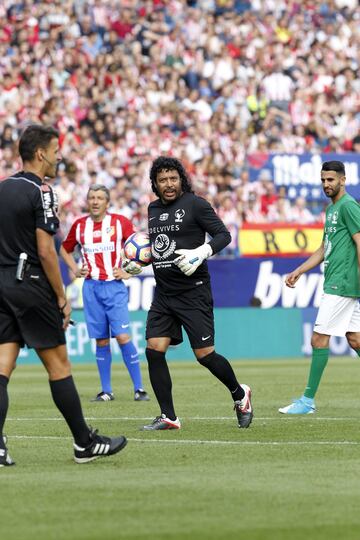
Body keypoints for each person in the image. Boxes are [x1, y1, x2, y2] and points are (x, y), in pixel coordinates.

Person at [0, 124, 127, 466]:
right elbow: (46, 250)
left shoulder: (2, 188)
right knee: (58, 366)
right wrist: (61, 296)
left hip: (2, 286)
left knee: (2, 367)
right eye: (56, 151)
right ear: (40, 154)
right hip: (31, 284)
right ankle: (84, 443)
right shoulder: (42, 191)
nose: (59, 157)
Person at [122, 156, 253, 430]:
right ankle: (168, 416)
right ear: (155, 185)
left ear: (181, 179)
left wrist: (201, 252)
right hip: (164, 294)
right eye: (162, 180)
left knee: (205, 355)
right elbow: (162, 247)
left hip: (193, 292)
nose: (169, 185)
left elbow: (223, 235)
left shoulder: (195, 204)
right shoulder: (153, 209)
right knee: (154, 350)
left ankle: (240, 395)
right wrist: (140, 262)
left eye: (173, 179)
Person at [279, 161, 360, 414]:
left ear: (343, 181)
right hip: (340, 281)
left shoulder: (348, 206)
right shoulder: (332, 209)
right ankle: (307, 401)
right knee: (355, 339)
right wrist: (299, 271)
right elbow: (325, 248)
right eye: (323, 180)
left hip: (342, 283)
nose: (326, 184)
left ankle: (307, 401)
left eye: (331, 180)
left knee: (318, 339)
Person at [61, 185, 149, 403]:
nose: (95, 201)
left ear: (107, 203)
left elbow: (141, 247)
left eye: (100, 197)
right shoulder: (80, 226)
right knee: (101, 340)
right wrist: (74, 267)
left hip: (114, 287)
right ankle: (106, 390)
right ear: (87, 201)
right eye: (92, 197)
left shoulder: (120, 223)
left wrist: (128, 273)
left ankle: (139, 388)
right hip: (91, 287)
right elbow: (64, 248)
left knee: (122, 336)